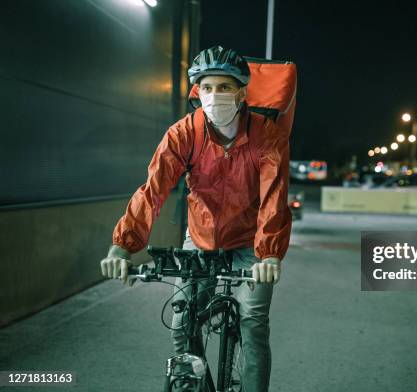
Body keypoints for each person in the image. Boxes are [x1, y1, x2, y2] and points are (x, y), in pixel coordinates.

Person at [99, 45, 292, 392]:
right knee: (182, 323)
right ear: (197, 92)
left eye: (224, 87)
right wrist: (122, 247)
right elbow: (153, 191)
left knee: (253, 322)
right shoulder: (183, 134)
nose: (214, 95)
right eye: (206, 87)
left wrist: (270, 255)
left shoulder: (267, 134)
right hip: (202, 238)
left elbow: (273, 199)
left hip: (253, 243)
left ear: (242, 92)